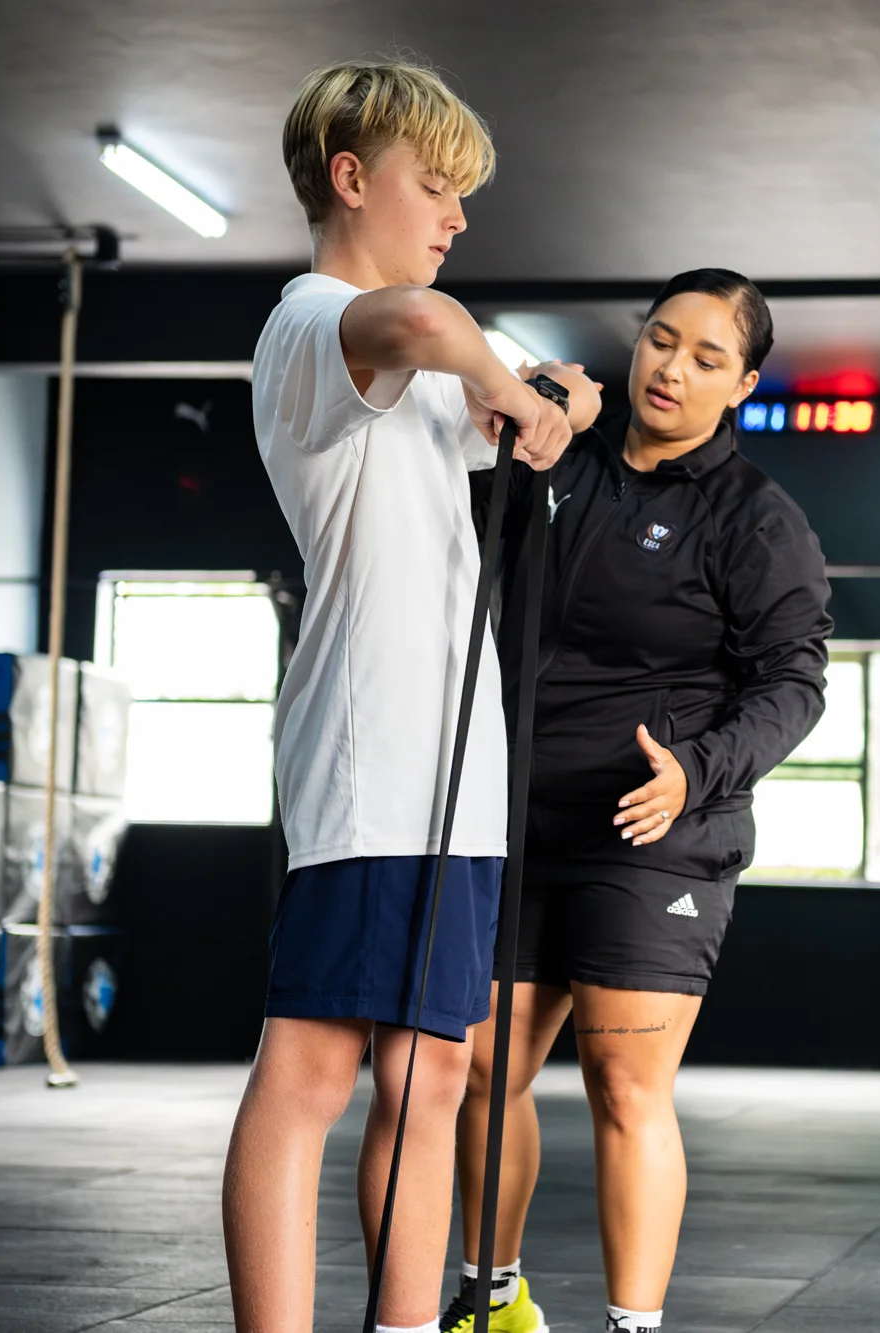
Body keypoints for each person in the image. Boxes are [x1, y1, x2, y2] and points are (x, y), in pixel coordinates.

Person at [221, 59, 601, 1333]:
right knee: (312, 1069)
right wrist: (508, 387)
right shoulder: (317, 324)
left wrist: (553, 398)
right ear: (349, 178)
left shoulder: (419, 344)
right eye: (432, 188)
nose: (453, 218)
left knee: (437, 1073)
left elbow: (528, 377)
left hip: (456, 767)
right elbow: (439, 335)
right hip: (371, 759)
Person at [446, 271, 833, 1333]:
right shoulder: (556, 454)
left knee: (623, 1082)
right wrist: (532, 402)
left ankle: (632, 1324)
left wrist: (697, 770)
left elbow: (793, 684)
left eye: (707, 357)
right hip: (516, 811)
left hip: (654, 825)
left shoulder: (754, 518)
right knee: (483, 1068)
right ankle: (495, 1295)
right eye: (661, 340)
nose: (671, 367)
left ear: (743, 383)